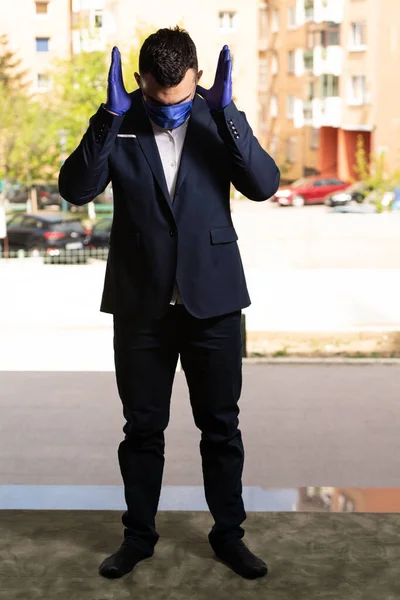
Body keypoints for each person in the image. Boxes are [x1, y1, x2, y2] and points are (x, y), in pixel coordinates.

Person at [58, 26, 280, 581]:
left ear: (199, 80)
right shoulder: (122, 121)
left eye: (181, 100)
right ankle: (138, 537)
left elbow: (264, 184)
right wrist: (107, 118)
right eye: (159, 102)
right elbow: (76, 188)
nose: (171, 111)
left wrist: (229, 113)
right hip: (141, 305)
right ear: (140, 83)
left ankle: (229, 536)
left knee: (222, 427)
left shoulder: (216, 117)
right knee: (141, 430)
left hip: (215, 302)